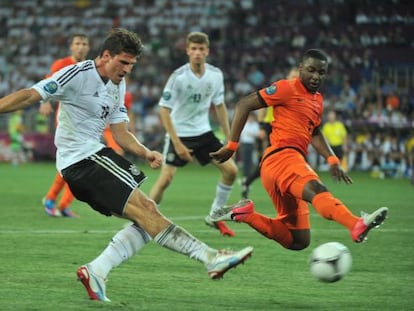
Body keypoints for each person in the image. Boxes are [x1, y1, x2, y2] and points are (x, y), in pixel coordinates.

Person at [0, 28, 253, 302]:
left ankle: (97, 270)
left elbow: (120, 132)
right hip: (82, 160)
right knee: (147, 210)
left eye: (132, 65)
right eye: (123, 62)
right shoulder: (77, 74)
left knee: (146, 217)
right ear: (106, 56)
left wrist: (146, 152)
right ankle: (210, 257)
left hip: (93, 158)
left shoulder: (117, 85)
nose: (127, 70)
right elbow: (30, 95)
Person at [210, 49, 388, 251]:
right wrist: (232, 146)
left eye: (321, 72)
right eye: (311, 70)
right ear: (300, 69)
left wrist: (332, 159)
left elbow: (314, 132)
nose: (315, 76)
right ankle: (356, 223)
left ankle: (245, 214)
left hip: (278, 166)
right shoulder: (286, 88)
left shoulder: (317, 100)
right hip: (283, 157)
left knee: (298, 240)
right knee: (317, 190)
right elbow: (244, 104)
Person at [148, 32, 238, 237]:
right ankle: (145, 218)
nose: (197, 53)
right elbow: (164, 110)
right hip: (179, 133)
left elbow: (220, 106)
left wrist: (230, 138)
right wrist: (177, 143)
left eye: (201, 49)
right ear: (188, 51)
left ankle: (215, 215)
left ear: (207, 51)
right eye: (194, 49)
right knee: (165, 180)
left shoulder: (216, 75)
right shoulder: (178, 77)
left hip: (204, 133)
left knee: (231, 171)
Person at [40, 33, 90, 217]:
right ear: (71, 46)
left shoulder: (89, 67)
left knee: (79, 164)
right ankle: (54, 201)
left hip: (86, 122)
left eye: (84, 44)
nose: (81, 47)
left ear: (89, 47)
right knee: (77, 163)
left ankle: (60, 204)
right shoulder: (61, 65)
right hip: (67, 120)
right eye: (78, 43)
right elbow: (47, 85)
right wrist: (45, 102)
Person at [241, 67, 299, 198]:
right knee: (272, 162)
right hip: (270, 128)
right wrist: (261, 126)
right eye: (293, 76)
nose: (295, 79)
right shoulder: (279, 88)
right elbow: (263, 105)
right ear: (288, 76)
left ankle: (248, 182)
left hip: (285, 130)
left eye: (297, 77)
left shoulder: (299, 94)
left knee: (274, 162)